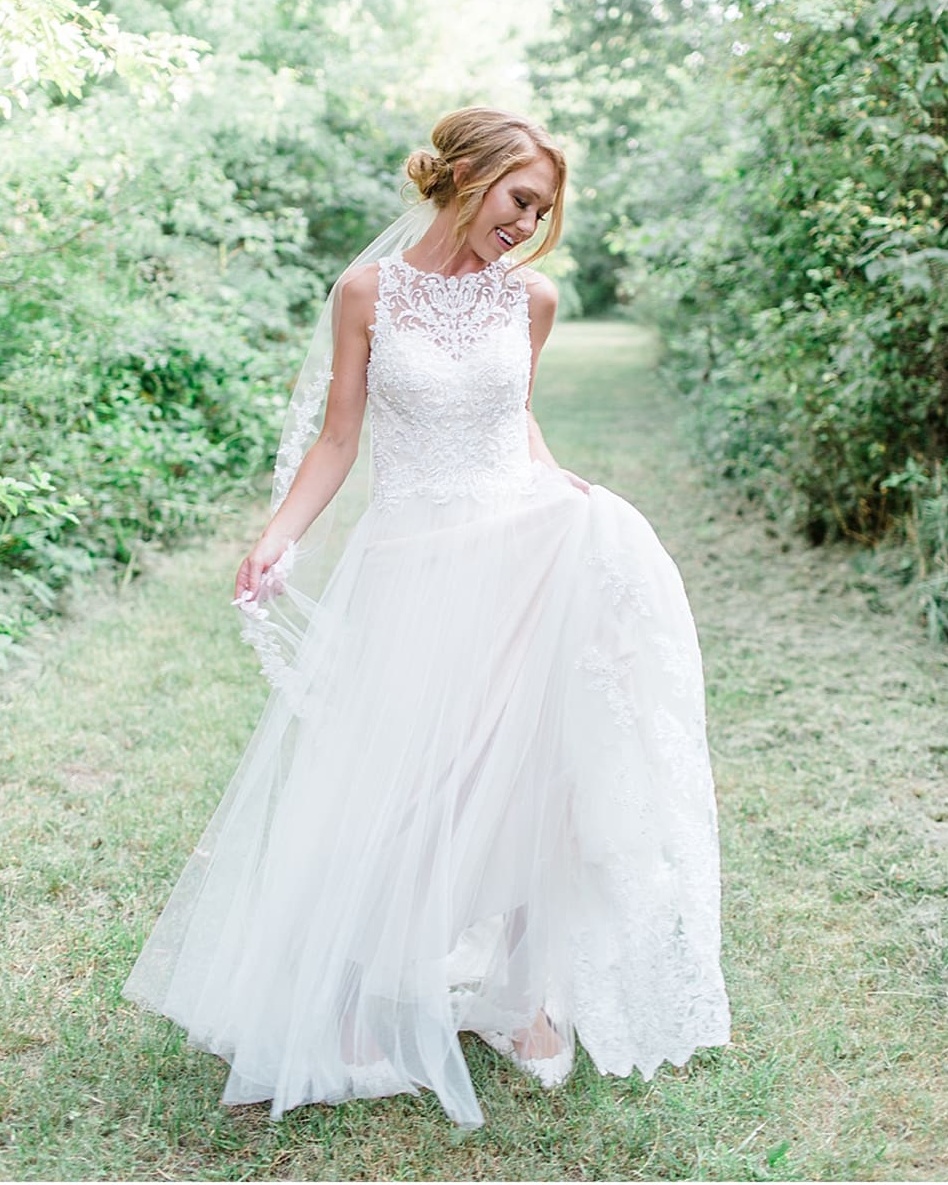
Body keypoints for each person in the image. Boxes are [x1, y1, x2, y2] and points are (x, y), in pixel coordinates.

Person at [125, 107, 730, 1129]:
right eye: (519, 201)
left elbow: (515, 416)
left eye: (541, 213)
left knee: (540, 765)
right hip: (411, 564)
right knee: (408, 780)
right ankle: (359, 990)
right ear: (467, 177)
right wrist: (278, 536)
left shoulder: (531, 299)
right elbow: (338, 439)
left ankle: (519, 994)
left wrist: (562, 489)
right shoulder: (367, 293)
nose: (527, 227)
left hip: (523, 552)